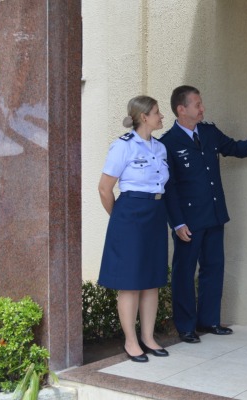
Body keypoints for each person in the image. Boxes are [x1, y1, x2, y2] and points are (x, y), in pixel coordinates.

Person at [160, 85, 247, 344]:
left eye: (201, 104)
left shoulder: (208, 132)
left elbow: (231, 147)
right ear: (181, 109)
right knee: (184, 272)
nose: (202, 108)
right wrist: (177, 223)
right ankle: (186, 326)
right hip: (188, 222)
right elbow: (168, 188)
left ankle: (208, 321)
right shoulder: (167, 143)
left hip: (215, 214)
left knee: (214, 267)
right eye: (197, 104)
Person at [98, 95, 170, 362]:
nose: (161, 116)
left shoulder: (160, 148)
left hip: (155, 213)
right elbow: (105, 189)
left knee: (151, 281)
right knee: (130, 283)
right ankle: (131, 341)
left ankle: (148, 337)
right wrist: (119, 219)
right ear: (144, 117)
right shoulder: (122, 146)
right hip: (130, 213)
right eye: (157, 112)